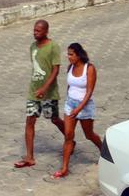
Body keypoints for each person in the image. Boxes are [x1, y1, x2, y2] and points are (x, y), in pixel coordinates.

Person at [15, 19, 65, 170]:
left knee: (54, 119)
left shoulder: (53, 47)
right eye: (34, 30)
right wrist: (37, 88)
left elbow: (55, 70)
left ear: (46, 31)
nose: (35, 33)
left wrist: (44, 88)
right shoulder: (32, 47)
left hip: (49, 92)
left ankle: (70, 138)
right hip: (33, 92)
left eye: (38, 31)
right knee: (30, 120)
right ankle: (30, 157)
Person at [53, 42, 103, 179]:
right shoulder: (70, 67)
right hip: (70, 105)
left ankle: (104, 150)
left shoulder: (89, 68)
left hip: (85, 106)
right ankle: (64, 168)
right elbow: (69, 86)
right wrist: (69, 102)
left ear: (78, 55)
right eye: (68, 54)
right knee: (68, 136)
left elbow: (89, 92)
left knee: (89, 134)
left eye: (71, 54)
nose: (68, 57)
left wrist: (79, 108)